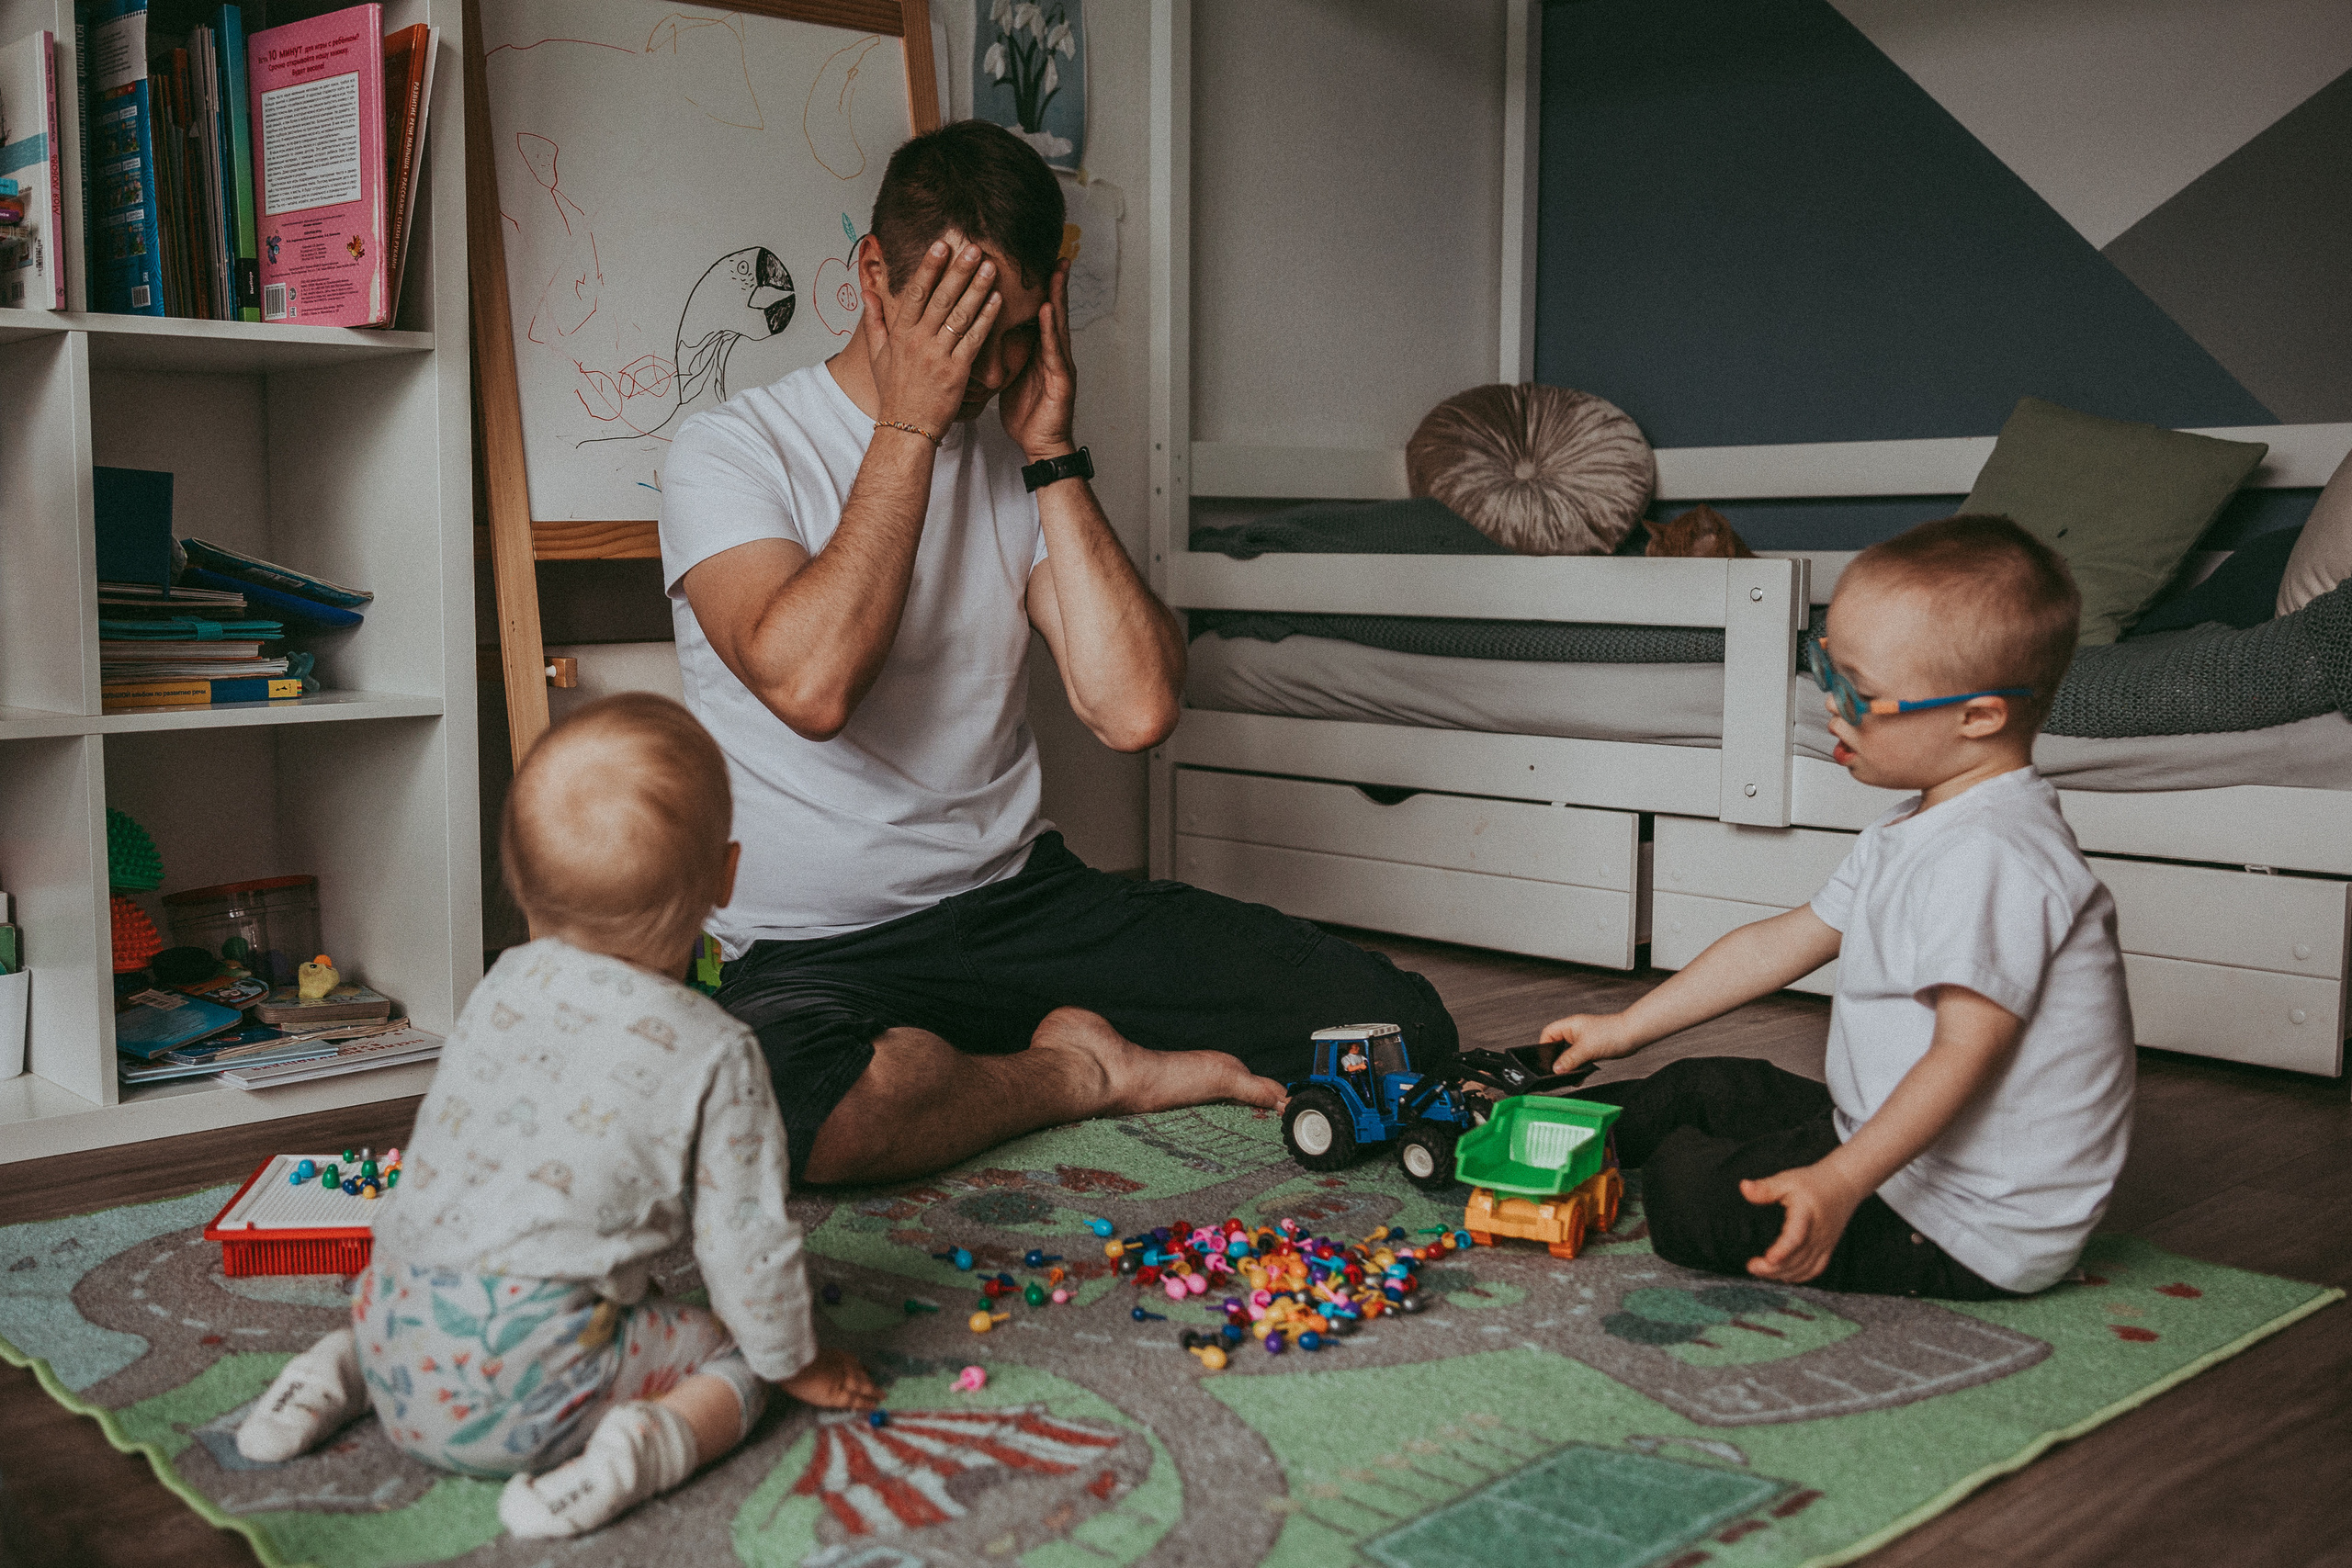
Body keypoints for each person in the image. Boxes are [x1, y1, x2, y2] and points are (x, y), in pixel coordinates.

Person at [659, 119, 1454, 1188]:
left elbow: (1134, 712)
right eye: (964, 325)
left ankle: (971, 1068)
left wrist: (1050, 454)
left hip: (1019, 907)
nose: (988, 369)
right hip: (808, 945)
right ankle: (1076, 1074)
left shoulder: (1017, 455)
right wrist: (909, 432)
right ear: (873, 280)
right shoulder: (731, 449)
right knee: (805, 1124)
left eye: (1018, 330)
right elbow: (810, 685)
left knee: (1392, 1028)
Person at [235, 694, 879, 1538]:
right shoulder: (717, 1050)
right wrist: (796, 1359)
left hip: (391, 1329)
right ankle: (637, 1451)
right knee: (738, 1353)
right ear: (726, 876)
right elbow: (742, 1245)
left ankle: (328, 1375)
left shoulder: (497, 989)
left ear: (521, 883)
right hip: (532, 1395)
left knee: (451, 1271)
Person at [1539, 516, 2133, 1299]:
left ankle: (1653, 1158)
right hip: (1890, 1142)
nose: (1830, 704)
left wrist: (1840, 1181)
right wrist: (1625, 1027)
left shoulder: (1994, 856)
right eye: (1826, 666)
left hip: (1963, 1225)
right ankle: (1538, 1130)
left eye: (1860, 692)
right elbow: (1781, 943)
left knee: (1690, 1195)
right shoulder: (1914, 827)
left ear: (1979, 716)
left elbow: (1965, 1057)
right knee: (1704, 1084)